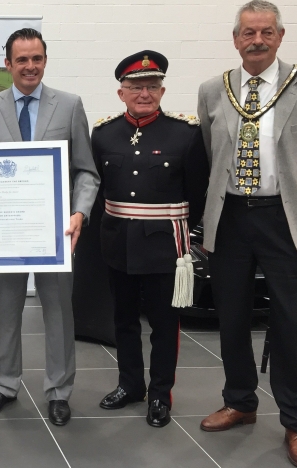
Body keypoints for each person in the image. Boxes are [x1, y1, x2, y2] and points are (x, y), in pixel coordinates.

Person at [197, 0, 297, 468]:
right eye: (249, 33)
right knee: (231, 317)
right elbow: (213, 156)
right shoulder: (214, 89)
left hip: (284, 219)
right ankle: (240, 402)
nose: (257, 40)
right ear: (235, 39)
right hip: (230, 217)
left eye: (266, 32)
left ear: (280, 36)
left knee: (293, 325)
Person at [0, 28, 100, 426]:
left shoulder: (69, 105)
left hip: (56, 233)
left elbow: (86, 171)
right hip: (9, 231)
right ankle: (6, 383)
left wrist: (79, 213)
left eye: (37, 59)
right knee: (6, 310)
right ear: (8, 64)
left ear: (45, 61)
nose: (30, 66)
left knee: (59, 313)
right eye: (22, 60)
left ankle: (59, 391)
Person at [91, 50, 209, 428]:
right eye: (136, 87)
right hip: (117, 241)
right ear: (120, 92)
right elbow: (95, 188)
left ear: (162, 90)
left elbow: (199, 192)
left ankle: (160, 393)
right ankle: (130, 384)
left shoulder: (186, 133)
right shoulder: (104, 133)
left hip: (164, 246)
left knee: (163, 324)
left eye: (152, 86)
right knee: (122, 320)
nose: (144, 93)